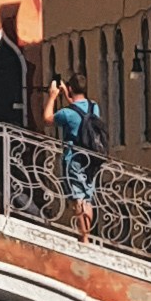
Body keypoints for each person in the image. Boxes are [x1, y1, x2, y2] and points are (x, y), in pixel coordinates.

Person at [51, 73, 101, 242]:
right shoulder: (94, 107)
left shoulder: (66, 113)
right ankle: (87, 235)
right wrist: (68, 95)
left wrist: (52, 97)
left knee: (78, 197)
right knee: (87, 197)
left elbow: (47, 118)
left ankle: (84, 238)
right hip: (92, 158)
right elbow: (80, 111)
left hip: (74, 159)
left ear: (71, 88)